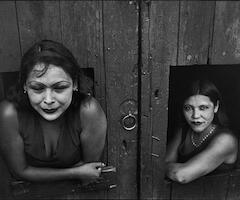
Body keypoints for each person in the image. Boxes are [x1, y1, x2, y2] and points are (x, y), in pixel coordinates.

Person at [0, 40, 107, 182]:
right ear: (25, 86)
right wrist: (75, 172)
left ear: (74, 84)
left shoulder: (88, 111)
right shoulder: (9, 114)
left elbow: (90, 172)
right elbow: (19, 171)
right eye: (38, 88)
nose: (49, 100)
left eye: (60, 87)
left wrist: (82, 173)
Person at [165, 79, 238, 184]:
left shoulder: (226, 140)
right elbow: (162, 164)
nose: (195, 116)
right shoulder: (183, 131)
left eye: (203, 108)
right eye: (188, 108)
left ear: (216, 107)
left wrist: (170, 168)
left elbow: (181, 175)